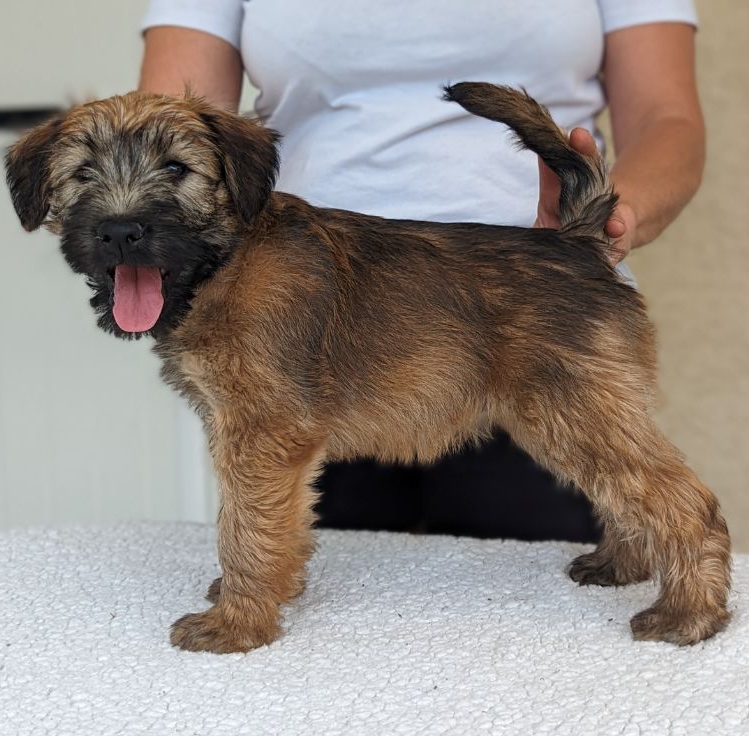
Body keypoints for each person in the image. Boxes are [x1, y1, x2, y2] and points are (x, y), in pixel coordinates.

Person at [137, 0, 705, 542]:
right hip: (298, 316)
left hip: (532, 295)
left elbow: (667, 118)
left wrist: (618, 216)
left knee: (597, 472)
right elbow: (160, 128)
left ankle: (685, 560)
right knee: (325, 547)